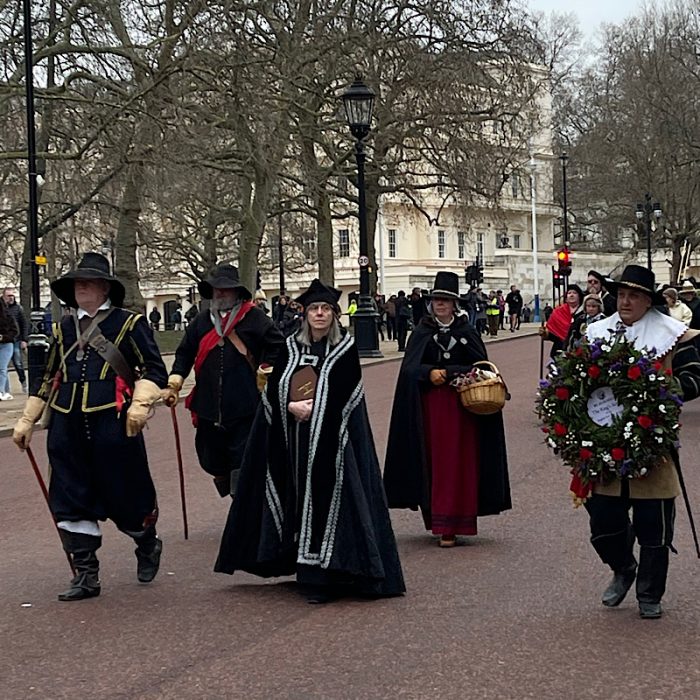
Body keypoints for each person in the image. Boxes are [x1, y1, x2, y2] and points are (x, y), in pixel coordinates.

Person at [215, 279, 405, 603]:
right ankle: (305, 570)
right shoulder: (291, 347)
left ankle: (329, 575)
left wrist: (315, 410)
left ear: (334, 314)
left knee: (328, 504)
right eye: (314, 309)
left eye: (325, 310)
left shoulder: (344, 350)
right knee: (298, 501)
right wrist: (290, 405)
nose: (319, 314)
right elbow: (275, 386)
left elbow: (346, 396)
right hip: (293, 442)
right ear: (305, 314)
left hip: (333, 447)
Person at [11, 252, 167, 601]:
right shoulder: (63, 328)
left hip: (112, 422)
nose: (81, 287)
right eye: (76, 282)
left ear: (104, 288)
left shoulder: (129, 324)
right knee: (69, 495)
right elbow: (49, 375)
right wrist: (27, 419)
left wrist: (140, 404)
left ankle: (146, 542)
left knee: (126, 494)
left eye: (88, 281)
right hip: (66, 423)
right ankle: (86, 575)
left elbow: (154, 369)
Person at [583, 265, 700, 619]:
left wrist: (660, 394)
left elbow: (694, 378)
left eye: (633, 296)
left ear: (648, 301)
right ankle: (623, 567)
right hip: (605, 442)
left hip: (654, 442)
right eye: (620, 295)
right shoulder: (596, 332)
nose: (625, 301)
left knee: (654, 524)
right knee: (603, 520)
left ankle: (650, 593)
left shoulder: (675, 335)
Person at [383, 271, 511, 547]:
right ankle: (438, 520)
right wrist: (429, 373)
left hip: (462, 407)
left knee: (459, 462)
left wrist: (451, 371)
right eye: (436, 300)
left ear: (454, 304)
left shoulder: (467, 332)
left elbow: (480, 366)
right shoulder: (421, 332)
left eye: (445, 300)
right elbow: (409, 370)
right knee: (434, 461)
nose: (440, 305)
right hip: (429, 409)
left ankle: (456, 520)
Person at [162, 264, 284, 498]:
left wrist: (265, 369)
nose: (220, 293)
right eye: (216, 289)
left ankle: (243, 509)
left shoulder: (255, 318)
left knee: (244, 460)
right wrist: (175, 382)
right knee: (213, 460)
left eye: (226, 289)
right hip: (208, 407)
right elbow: (185, 352)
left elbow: (278, 347)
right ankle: (234, 494)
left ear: (237, 292)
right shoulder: (201, 321)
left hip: (245, 405)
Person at [539, 285, 584, 358]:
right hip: (560, 348)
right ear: (566, 297)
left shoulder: (584, 311)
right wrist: (545, 333)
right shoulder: (558, 312)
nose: (571, 295)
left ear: (579, 296)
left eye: (574, 293)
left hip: (578, 350)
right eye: (569, 293)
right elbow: (553, 335)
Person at [2, 287, 28, 392]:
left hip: (16, 339)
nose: (11, 298)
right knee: (3, 366)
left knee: (18, 363)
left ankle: (23, 382)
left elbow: (24, 324)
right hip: (5, 340)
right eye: (9, 296)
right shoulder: (2, 308)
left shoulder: (18, 308)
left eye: (12, 295)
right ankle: (4, 388)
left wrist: (24, 339)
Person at [0, 299, 19, 400]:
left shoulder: (8, 317)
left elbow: (15, 331)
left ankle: (1, 391)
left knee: (2, 367)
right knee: (3, 369)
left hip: (6, 344)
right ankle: (6, 391)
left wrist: (3, 337)